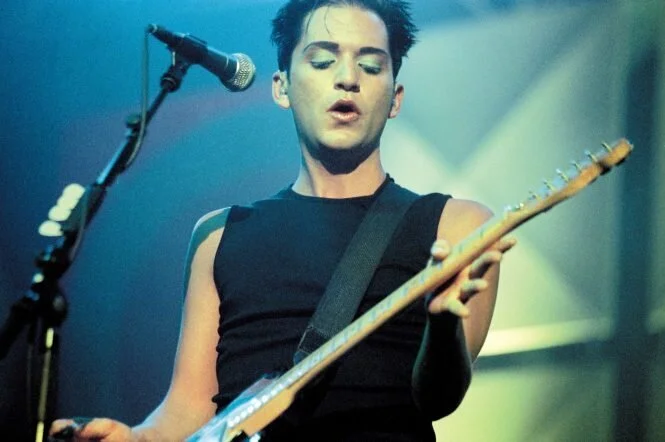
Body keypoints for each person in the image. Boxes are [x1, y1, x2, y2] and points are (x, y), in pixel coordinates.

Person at [50, 1, 514, 440]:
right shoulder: (219, 235)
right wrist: (136, 437)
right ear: (282, 87)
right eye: (322, 61)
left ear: (395, 98)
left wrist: (442, 328)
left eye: (371, 66)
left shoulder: (455, 226)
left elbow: (439, 399)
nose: (347, 79)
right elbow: (189, 411)